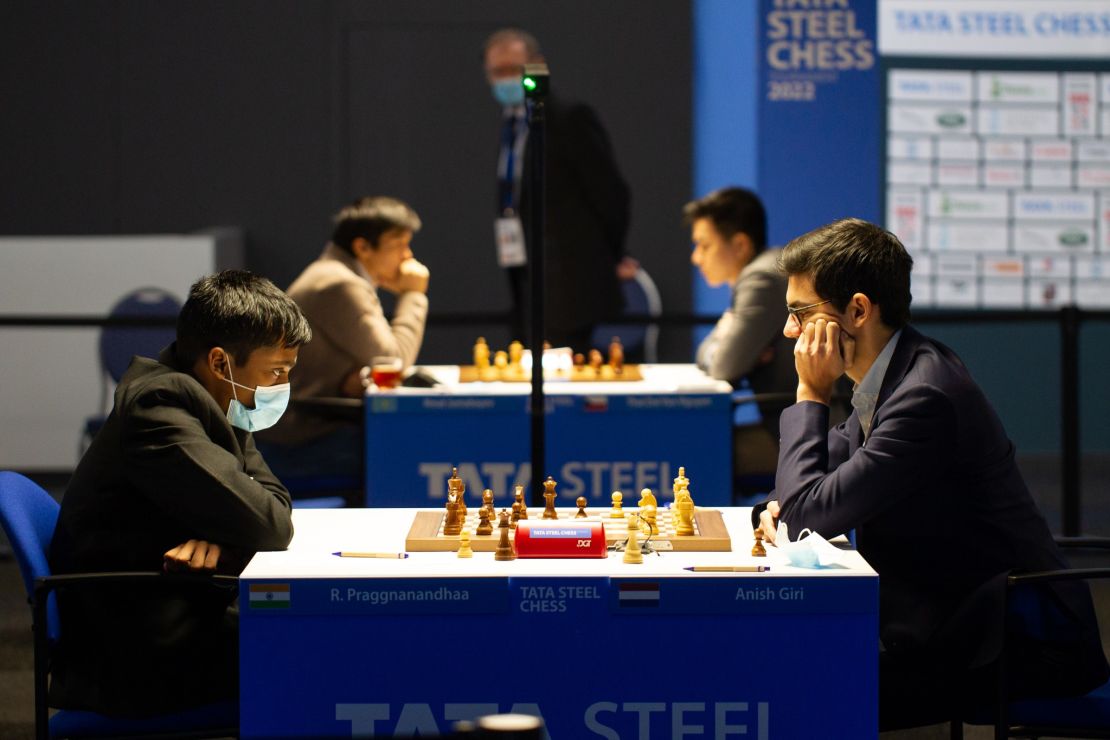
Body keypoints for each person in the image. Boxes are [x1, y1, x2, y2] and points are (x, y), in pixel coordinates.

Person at [755, 218, 1108, 730]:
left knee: (806, 689)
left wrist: (810, 393)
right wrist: (781, 507)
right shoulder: (895, 374)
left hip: (1015, 644)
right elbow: (805, 491)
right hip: (953, 622)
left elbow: (803, 514)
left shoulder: (924, 395)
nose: (789, 331)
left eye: (799, 313)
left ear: (857, 309)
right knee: (794, 674)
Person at [48, 269, 311, 716]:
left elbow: (272, 499)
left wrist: (225, 534)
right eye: (276, 372)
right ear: (220, 362)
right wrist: (237, 525)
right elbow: (271, 524)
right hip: (141, 649)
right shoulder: (158, 407)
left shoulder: (212, 396)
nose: (282, 387)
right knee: (318, 647)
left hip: (177, 605)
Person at [484, 28, 636, 352]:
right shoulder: (509, 123)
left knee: (563, 378)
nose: (506, 79)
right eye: (498, 72)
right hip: (522, 269)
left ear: (537, 66)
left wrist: (611, 253)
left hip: (568, 279)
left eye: (514, 69)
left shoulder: (568, 116)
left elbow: (611, 194)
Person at [257, 196, 429, 477]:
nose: (407, 256)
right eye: (399, 245)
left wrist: (358, 376)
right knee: (415, 453)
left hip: (307, 429)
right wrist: (414, 294)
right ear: (362, 247)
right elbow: (395, 361)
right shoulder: (338, 285)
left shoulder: (332, 274)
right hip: (300, 442)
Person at [684, 187, 797, 476]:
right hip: (791, 423)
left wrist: (722, 343)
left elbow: (723, 365)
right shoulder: (765, 270)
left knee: (695, 452)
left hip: (804, 434)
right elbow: (707, 353)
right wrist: (722, 344)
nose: (696, 258)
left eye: (704, 245)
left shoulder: (760, 279)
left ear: (740, 245)